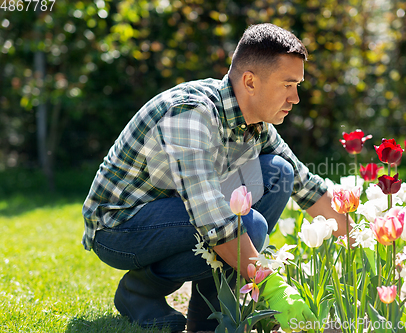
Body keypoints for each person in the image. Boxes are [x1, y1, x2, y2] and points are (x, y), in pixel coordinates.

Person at [82, 23, 349, 332]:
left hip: (175, 214)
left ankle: (209, 314)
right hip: (121, 227)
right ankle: (141, 292)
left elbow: (308, 188)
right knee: (247, 224)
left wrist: (370, 252)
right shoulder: (190, 114)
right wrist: (272, 286)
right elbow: (211, 217)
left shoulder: (255, 124)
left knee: (279, 173)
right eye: (288, 84)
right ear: (250, 81)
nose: (296, 98)